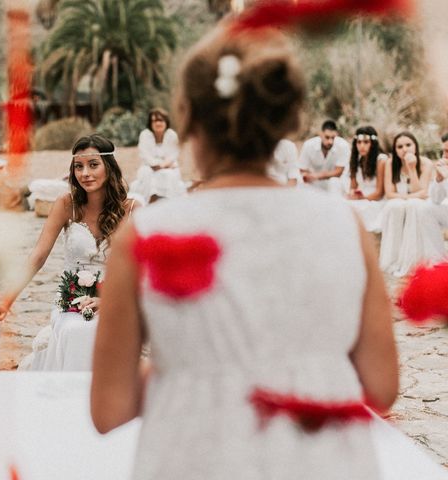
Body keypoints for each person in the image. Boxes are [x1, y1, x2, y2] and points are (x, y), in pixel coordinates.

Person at [90, 25, 400, 479]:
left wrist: (190, 367)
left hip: (195, 456)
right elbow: (382, 385)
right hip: (325, 462)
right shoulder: (343, 226)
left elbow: (109, 408)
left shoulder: (147, 233)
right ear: (289, 120)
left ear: (188, 116)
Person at [0, 134, 137, 371]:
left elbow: (143, 267)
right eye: (79, 166)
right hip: (71, 300)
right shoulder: (66, 205)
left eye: (93, 165)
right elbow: (38, 257)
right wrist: (5, 301)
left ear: (109, 167)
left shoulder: (133, 209)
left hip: (116, 300)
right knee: (78, 330)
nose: (85, 173)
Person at [379, 131, 444, 277]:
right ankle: (393, 257)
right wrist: (407, 197)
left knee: (414, 205)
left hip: (416, 203)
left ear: (415, 146)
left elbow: (423, 193)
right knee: (394, 206)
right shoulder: (390, 163)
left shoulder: (425, 163)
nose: (405, 149)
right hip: (399, 202)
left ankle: (414, 258)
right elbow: (390, 193)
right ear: (395, 150)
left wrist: (412, 168)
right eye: (400, 146)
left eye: (408, 145)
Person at [128, 108, 186, 203]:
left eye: (161, 120)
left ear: (166, 122)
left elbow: (173, 155)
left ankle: (168, 204)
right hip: (149, 167)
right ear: (150, 123)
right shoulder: (145, 135)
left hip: (169, 167)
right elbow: (145, 156)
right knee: (147, 175)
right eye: (154, 121)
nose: (158, 123)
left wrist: (162, 166)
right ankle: (149, 203)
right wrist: (160, 165)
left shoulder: (172, 135)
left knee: (168, 175)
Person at [346, 126, 387, 233]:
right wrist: (352, 194)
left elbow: (379, 193)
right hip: (361, 198)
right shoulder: (356, 160)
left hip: (375, 201)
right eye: (358, 142)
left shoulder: (381, 160)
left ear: (373, 144)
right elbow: (353, 187)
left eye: (366, 142)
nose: (362, 146)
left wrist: (362, 198)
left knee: (355, 209)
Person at [298, 119, 351, 195]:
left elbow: (338, 172)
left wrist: (318, 175)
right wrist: (309, 176)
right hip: (313, 181)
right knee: (299, 180)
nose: (330, 141)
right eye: (327, 137)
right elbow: (302, 169)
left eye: (333, 138)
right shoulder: (309, 145)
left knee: (334, 182)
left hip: (335, 183)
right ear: (321, 134)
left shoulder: (343, 146)